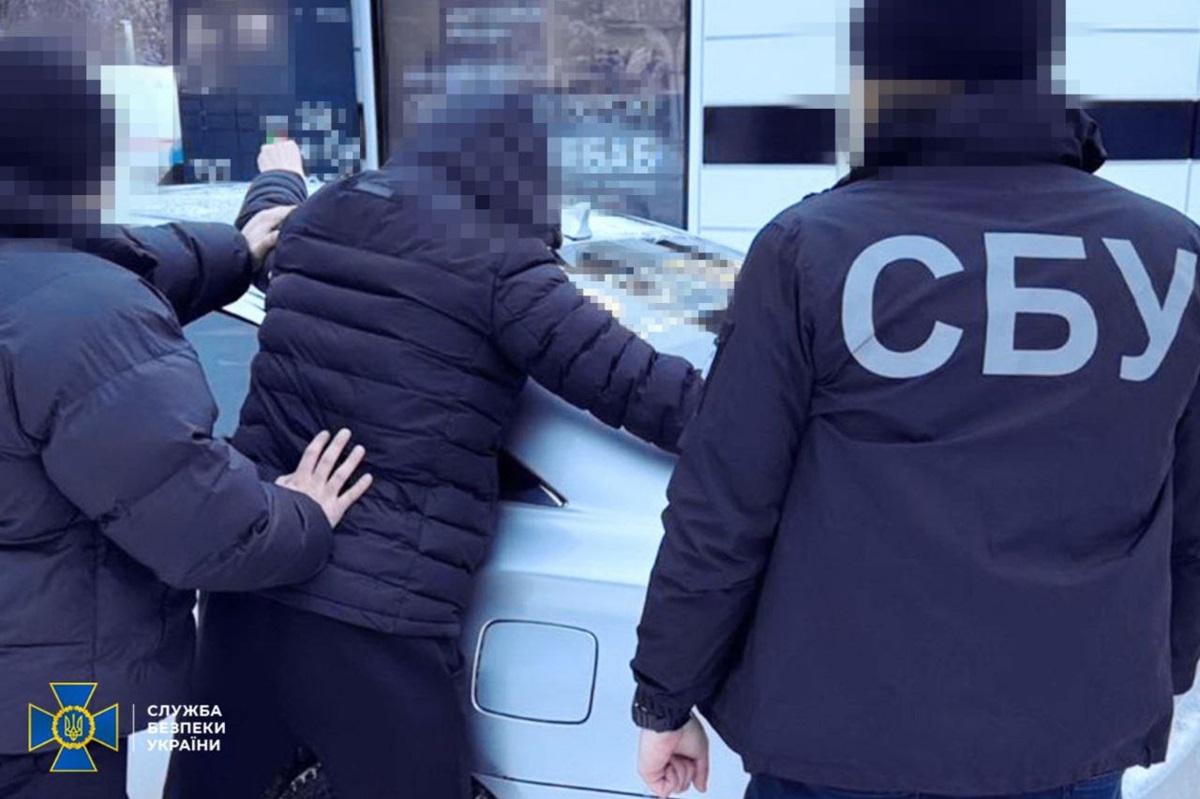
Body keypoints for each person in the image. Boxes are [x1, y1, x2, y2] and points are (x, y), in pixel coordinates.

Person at [630, 2, 1200, 799]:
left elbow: (725, 504)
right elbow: (1189, 510)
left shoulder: (812, 248)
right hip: (1070, 741)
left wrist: (666, 697)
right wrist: (1158, 671)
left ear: (887, 78)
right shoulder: (1170, 255)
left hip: (839, 745)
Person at [169, 92, 705, 799]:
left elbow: (264, 236)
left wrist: (279, 179)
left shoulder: (324, 217)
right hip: (376, 625)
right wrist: (784, 425)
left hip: (247, 594)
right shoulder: (501, 266)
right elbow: (639, 385)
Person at [0, 30, 372, 799]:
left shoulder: (57, 294)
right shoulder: (85, 316)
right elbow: (208, 532)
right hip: (45, 721)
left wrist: (239, 246)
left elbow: (94, 273)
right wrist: (301, 513)